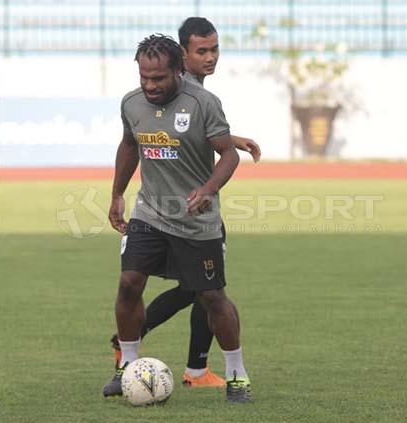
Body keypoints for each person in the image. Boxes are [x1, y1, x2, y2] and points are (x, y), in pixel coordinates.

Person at [108, 17, 261, 390]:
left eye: (214, 49)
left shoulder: (202, 99)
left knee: (207, 292)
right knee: (130, 281)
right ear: (184, 54)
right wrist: (116, 193)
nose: (150, 85)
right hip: (151, 211)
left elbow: (199, 132)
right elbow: (134, 141)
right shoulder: (136, 101)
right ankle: (129, 363)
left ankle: (227, 374)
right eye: (201, 50)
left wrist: (210, 183)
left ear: (175, 69)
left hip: (196, 216)